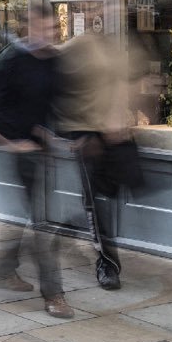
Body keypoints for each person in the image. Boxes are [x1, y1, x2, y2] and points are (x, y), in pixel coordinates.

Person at [0, 4, 73, 319]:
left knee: (26, 216)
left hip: (43, 151)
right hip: (21, 153)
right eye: (47, 29)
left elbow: (50, 107)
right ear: (30, 29)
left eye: (55, 29)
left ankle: (5, 270)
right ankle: (54, 294)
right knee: (42, 223)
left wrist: (52, 136)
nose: (53, 34)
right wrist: (11, 143)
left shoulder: (55, 62)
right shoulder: (13, 64)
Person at [55, 18, 140, 291]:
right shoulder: (73, 49)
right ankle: (107, 263)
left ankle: (75, 224)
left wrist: (120, 115)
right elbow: (53, 91)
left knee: (117, 190)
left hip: (113, 135)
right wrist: (74, 133)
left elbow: (124, 82)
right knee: (94, 201)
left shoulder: (112, 50)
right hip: (87, 136)